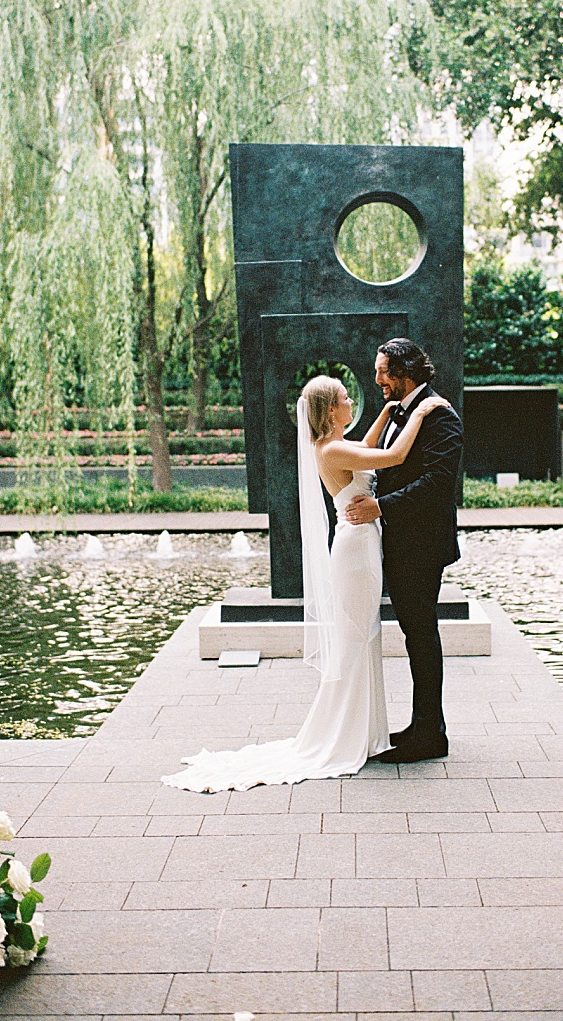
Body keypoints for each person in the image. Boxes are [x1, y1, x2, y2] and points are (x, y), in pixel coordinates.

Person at [164, 374, 450, 792]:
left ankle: (362, 731)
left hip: (361, 544)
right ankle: (343, 734)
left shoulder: (334, 446)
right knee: (357, 637)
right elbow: (391, 456)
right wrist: (420, 412)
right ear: (332, 410)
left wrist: (389, 412)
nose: (353, 402)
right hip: (356, 550)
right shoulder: (331, 448)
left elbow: (367, 450)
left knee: (363, 636)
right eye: (346, 398)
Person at [341, 338, 465, 763]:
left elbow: (436, 484)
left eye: (382, 372)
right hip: (400, 541)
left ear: (405, 373)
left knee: (422, 636)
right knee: (416, 636)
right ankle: (422, 725)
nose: (376, 379)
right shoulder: (401, 411)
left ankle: (432, 735)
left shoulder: (440, 416)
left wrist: (380, 506)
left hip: (422, 545)